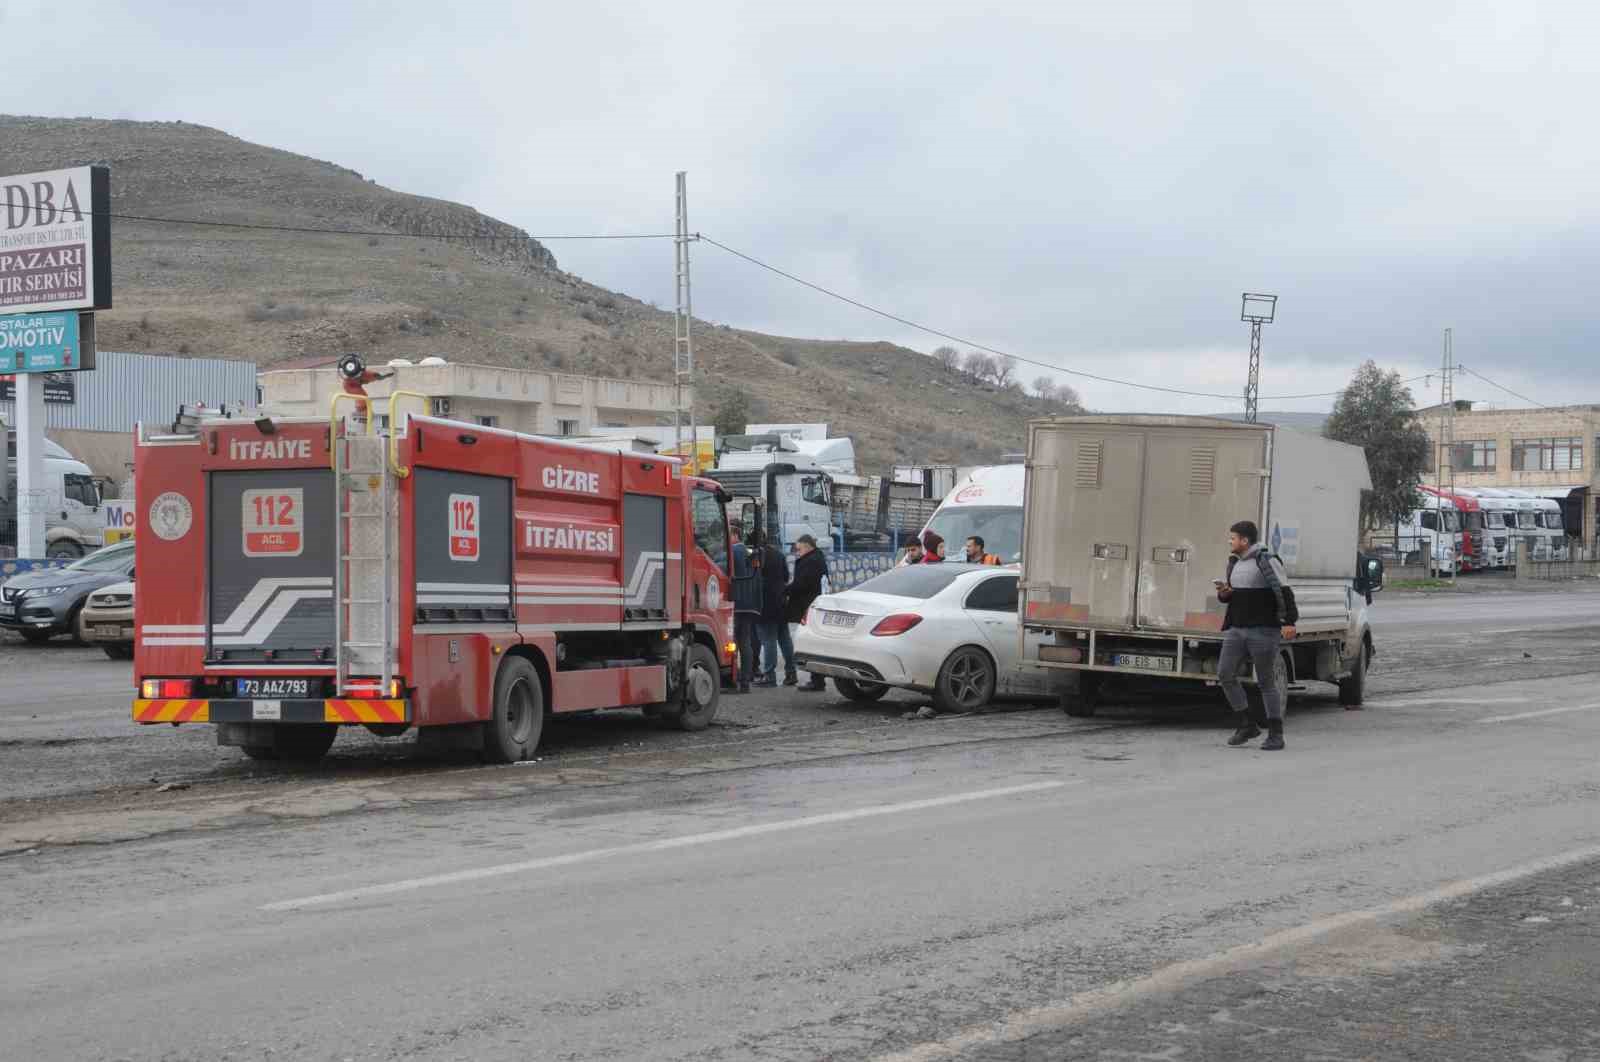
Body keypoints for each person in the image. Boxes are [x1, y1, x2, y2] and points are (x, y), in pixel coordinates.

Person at [1215, 519, 1298, 751]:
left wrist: (1290, 621)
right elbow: (1233, 597)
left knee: (1265, 682)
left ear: (1245, 540)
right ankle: (1246, 725)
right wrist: (1224, 593)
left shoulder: (1267, 560)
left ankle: (1276, 734)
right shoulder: (1234, 563)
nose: (1229, 541)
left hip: (1264, 630)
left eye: (1233, 538)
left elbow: (1285, 592)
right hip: (1236, 629)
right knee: (1224, 674)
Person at [787, 534, 831, 692]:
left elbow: (802, 584)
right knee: (814, 643)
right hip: (814, 604)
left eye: (799, 549)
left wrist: (785, 590)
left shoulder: (811, 561)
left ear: (807, 546)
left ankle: (817, 680)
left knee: (812, 644)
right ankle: (817, 679)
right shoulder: (816, 558)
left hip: (809, 605)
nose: (797, 552)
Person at [755, 533, 795, 687]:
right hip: (780, 601)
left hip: (765, 603)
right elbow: (785, 576)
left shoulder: (757, 556)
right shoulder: (778, 554)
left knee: (768, 640)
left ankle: (769, 676)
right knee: (785, 639)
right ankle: (791, 673)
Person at [728, 523, 762, 694]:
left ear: (734, 535)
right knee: (745, 642)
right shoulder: (751, 553)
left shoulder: (732, 551)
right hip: (749, 604)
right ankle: (746, 681)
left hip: (735, 603)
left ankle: (732, 678)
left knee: (731, 642)